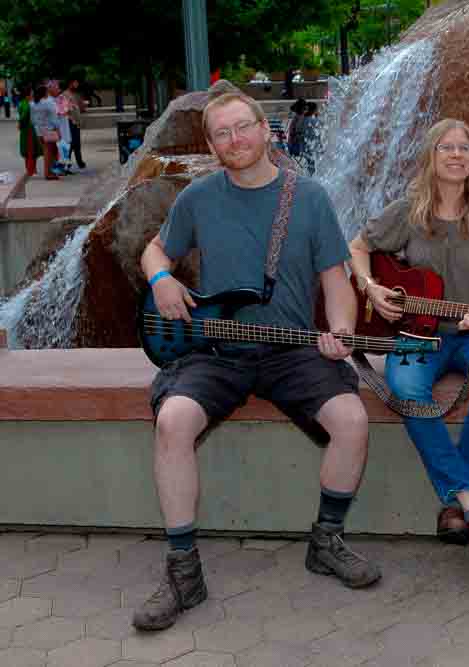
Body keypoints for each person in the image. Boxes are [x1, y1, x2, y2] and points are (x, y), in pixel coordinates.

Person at [133, 91, 380, 632]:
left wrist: (341, 330)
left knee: (352, 421)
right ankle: (183, 571)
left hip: (292, 348)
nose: (234, 141)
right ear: (211, 144)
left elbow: (336, 283)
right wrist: (162, 279)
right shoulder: (198, 197)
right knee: (173, 420)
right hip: (218, 347)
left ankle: (327, 541)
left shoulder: (309, 198)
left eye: (242, 128)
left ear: (265, 131)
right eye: (222, 134)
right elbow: (153, 249)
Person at [348, 118, 469, 557]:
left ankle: (455, 504)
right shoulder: (408, 210)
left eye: (465, 148)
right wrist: (371, 288)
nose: (457, 155)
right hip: (415, 331)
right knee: (406, 388)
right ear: (431, 155)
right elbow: (356, 248)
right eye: (447, 147)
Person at [29, 84, 61, 180]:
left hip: (39, 130)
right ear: (45, 93)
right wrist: (58, 129)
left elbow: (32, 120)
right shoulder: (48, 103)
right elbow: (54, 118)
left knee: (47, 151)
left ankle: (51, 172)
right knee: (50, 152)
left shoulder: (32, 104)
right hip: (49, 130)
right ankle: (49, 173)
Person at [62, 77, 87, 169]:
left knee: (77, 143)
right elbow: (65, 109)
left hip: (76, 122)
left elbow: (81, 108)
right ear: (70, 83)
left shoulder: (76, 94)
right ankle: (67, 163)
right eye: (75, 83)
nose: (77, 85)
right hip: (69, 121)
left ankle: (79, 161)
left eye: (77, 83)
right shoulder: (65, 95)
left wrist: (82, 106)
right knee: (71, 143)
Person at [17, 88, 43, 177]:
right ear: (27, 95)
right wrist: (20, 122)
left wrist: (20, 123)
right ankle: (31, 170)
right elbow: (24, 115)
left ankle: (31, 169)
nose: (33, 95)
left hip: (27, 130)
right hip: (29, 130)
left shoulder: (22, 103)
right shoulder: (27, 104)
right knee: (31, 150)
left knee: (30, 151)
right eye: (31, 93)